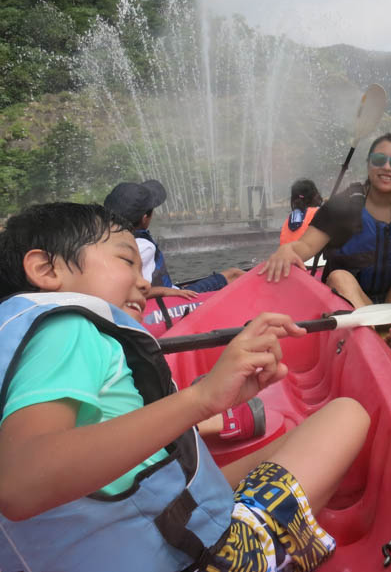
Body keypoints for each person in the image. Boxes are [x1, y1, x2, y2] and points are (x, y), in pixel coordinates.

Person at [0, 202, 370, 572]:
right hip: (203, 560)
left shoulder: (25, 339)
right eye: (127, 260)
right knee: (345, 415)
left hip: (164, 525)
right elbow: (19, 481)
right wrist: (202, 400)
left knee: (297, 437)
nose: (144, 280)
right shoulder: (67, 329)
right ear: (46, 269)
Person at [262, 133, 391, 357]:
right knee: (339, 276)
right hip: (354, 307)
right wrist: (287, 249)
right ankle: (379, 343)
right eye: (379, 160)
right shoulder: (344, 206)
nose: (387, 167)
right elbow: (304, 247)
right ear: (368, 165)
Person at [104, 179, 244, 295]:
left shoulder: (108, 239)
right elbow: (138, 291)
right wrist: (168, 291)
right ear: (144, 218)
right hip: (171, 300)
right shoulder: (143, 246)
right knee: (235, 274)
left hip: (170, 291)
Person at [280, 178, 323, 245]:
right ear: (315, 196)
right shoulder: (318, 213)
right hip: (309, 254)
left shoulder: (288, 220)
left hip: (287, 254)